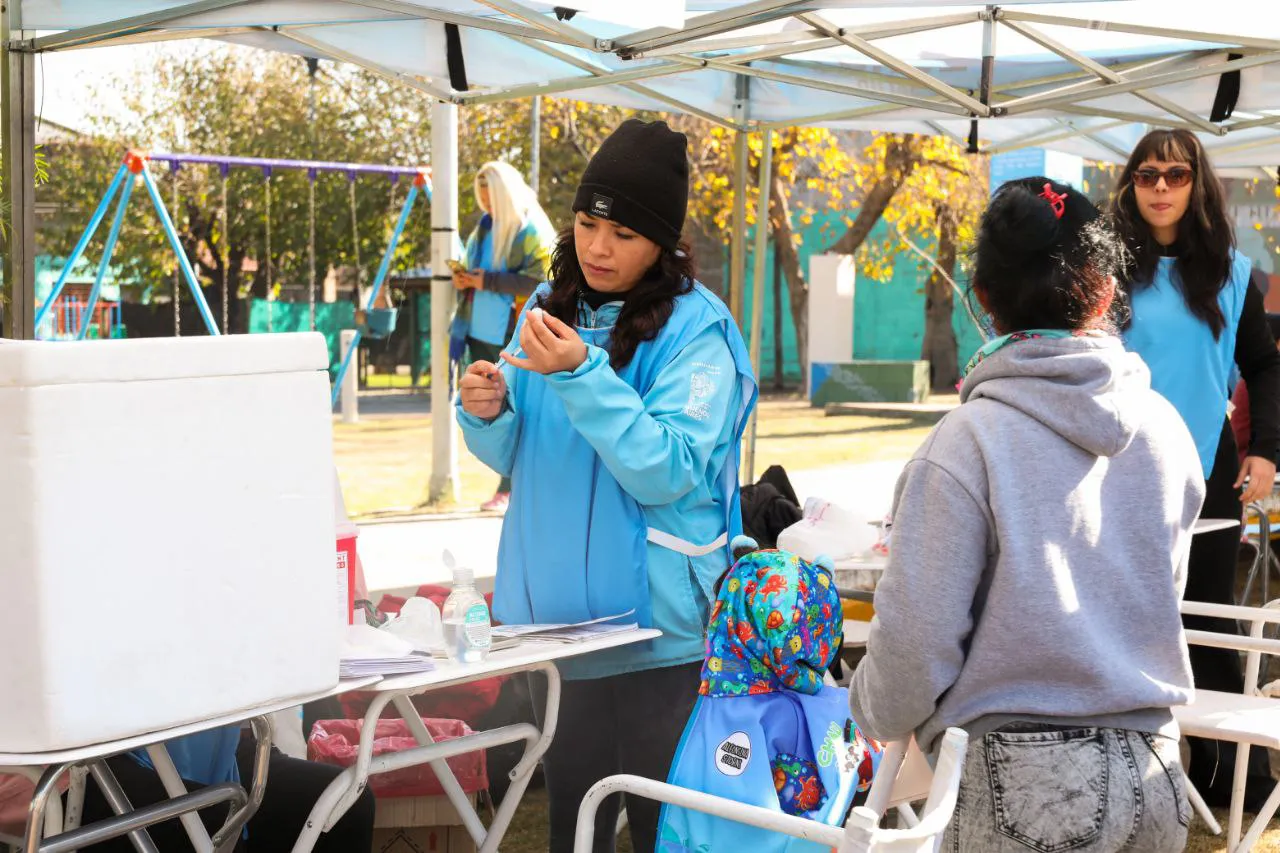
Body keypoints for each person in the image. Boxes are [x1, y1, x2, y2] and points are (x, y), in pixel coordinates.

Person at [849, 178, 1204, 851]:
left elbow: (914, 649)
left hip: (1019, 774)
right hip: (1155, 771)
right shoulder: (1166, 428)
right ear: (1106, 292)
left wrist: (866, 702)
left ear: (983, 298)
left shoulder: (965, 444)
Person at [456, 119, 757, 853]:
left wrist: (584, 375)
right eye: (588, 224)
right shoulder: (547, 311)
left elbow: (669, 467)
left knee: (664, 833)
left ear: (661, 241)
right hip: (558, 627)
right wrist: (486, 412)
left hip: (658, 633)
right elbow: (526, 453)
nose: (597, 247)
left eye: (623, 233)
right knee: (574, 830)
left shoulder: (698, 332)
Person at [1111, 128, 1280, 808]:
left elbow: (1266, 366)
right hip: (1117, 468)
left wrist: (1266, 450)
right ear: (1131, 184)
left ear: (1196, 184)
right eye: (1148, 174)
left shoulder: (1236, 274)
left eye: (1175, 175)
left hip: (1209, 471)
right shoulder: (1108, 271)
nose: (1159, 187)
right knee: (1120, 617)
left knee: (1205, 622)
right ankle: (1126, 771)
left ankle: (1236, 779)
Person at [449, 160, 556, 513]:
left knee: (515, 407)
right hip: (479, 330)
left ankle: (510, 488)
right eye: (483, 202)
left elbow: (540, 281)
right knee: (487, 408)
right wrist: (467, 279)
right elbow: (480, 273)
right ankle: (507, 485)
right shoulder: (483, 229)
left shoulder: (530, 232)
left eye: (492, 200)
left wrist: (485, 280)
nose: (488, 208)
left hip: (514, 332)